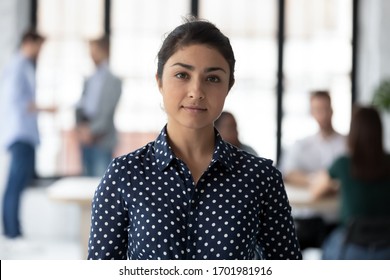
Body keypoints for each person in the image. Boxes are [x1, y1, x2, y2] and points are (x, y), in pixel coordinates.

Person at [87, 18, 302, 260]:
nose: (196, 92)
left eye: (212, 78)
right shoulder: (125, 174)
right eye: (182, 75)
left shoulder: (261, 178)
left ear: (228, 87)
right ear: (159, 81)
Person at [310, 106, 390, 259]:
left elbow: (315, 191)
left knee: (326, 245)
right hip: (386, 249)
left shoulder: (343, 164)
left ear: (354, 133)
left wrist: (337, 188)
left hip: (351, 249)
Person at [0, 29, 56, 239]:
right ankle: (12, 232)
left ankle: (13, 230)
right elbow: (17, 101)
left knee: (17, 183)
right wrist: (45, 108)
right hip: (19, 133)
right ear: (28, 42)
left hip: (22, 133)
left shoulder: (22, 65)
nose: (40, 51)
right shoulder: (18, 66)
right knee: (16, 183)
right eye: (39, 46)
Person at [278, 90, 347, 250]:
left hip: (336, 218)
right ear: (311, 113)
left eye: (325, 109)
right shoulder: (301, 144)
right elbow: (288, 172)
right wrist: (318, 180)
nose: (322, 114)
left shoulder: (346, 143)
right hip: (307, 217)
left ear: (332, 110)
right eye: (317, 110)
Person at [75, 35, 122, 177]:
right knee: (85, 185)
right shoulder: (89, 79)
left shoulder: (114, 81)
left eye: (94, 51)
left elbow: (108, 113)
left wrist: (91, 131)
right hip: (85, 139)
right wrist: (81, 129)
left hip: (102, 139)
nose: (91, 55)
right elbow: (81, 105)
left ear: (105, 51)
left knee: (100, 185)